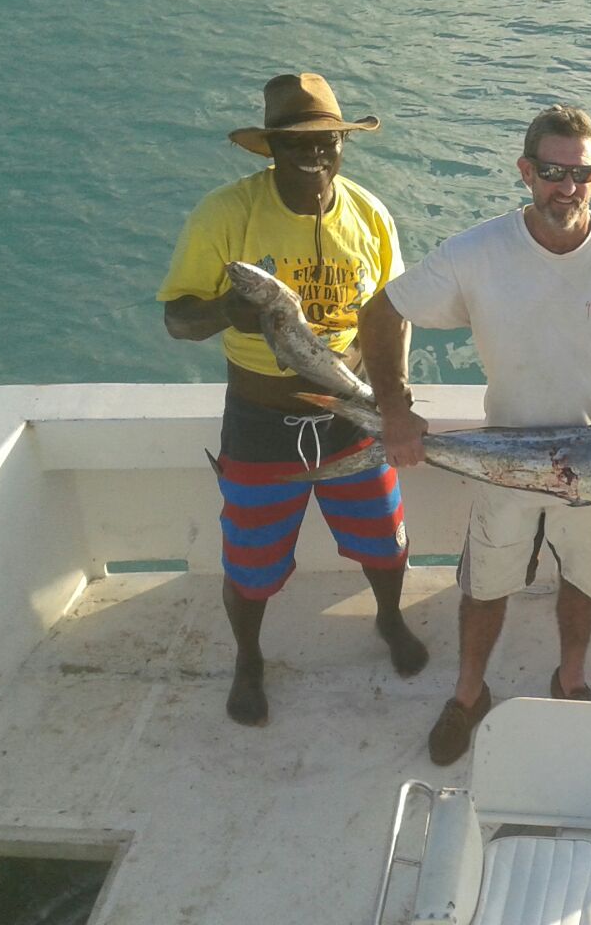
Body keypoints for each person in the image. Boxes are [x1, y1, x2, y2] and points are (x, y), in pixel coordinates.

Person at [358, 104, 591, 766]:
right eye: (552, 171)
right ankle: (470, 693)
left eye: (581, 174)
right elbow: (380, 314)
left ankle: (570, 676)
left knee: (584, 580)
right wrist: (393, 407)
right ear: (525, 172)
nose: (567, 187)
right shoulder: (477, 253)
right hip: (508, 460)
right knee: (486, 584)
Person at [158, 72, 428, 727]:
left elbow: (389, 317)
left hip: (352, 415)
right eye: (295, 144)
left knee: (385, 539)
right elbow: (176, 319)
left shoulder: (369, 215)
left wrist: (393, 398)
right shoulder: (225, 215)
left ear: (342, 143)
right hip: (260, 420)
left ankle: (389, 619)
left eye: (326, 141)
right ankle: (248, 657)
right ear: (270, 149)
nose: (313, 155)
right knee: (250, 562)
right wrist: (228, 310)